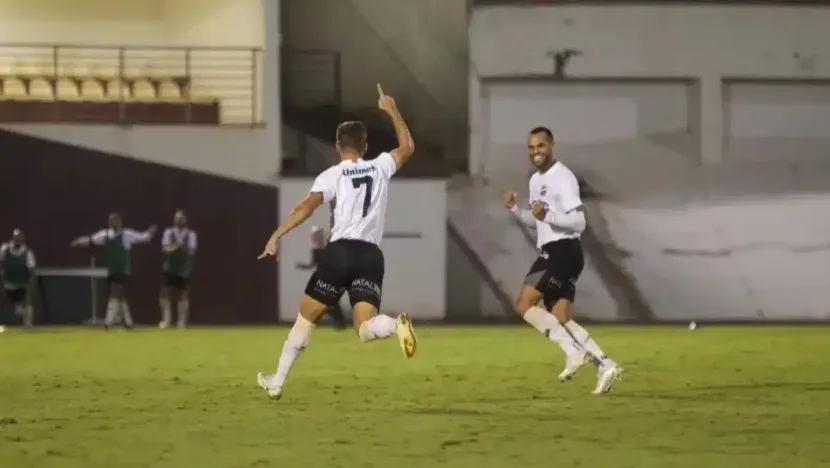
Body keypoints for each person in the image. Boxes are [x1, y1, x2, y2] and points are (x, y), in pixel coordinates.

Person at [256, 84, 416, 400]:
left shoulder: (331, 176)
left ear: (337, 146)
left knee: (306, 317)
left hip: (341, 251)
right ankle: (396, 325)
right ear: (365, 145)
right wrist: (392, 109)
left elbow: (306, 207)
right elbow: (408, 147)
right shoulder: (382, 166)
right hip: (371, 256)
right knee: (365, 327)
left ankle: (277, 382)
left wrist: (277, 234)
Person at [503, 126, 623, 395]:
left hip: (562, 250)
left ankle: (573, 352)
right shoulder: (535, 181)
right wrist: (515, 210)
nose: (536, 152)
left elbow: (579, 222)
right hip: (559, 250)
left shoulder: (563, 177)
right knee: (561, 317)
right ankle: (606, 364)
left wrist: (549, 217)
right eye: (531, 147)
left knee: (524, 304)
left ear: (552, 146)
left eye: (540, 146)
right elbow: (537, 222)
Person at [70, 213, 156, 329]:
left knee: (115, 292)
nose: (113, 222)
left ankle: (108, 321)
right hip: (112, 269)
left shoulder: (126, 234)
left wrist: (150, 232)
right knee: (120, 295)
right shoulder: (104, 235)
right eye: (111, 220)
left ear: (120, 221)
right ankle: (128, 322)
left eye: (115, 220)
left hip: (123, 269)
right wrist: (79, 241)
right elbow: (91, 240)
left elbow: (142, 237)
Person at [295, 225, 348, 329]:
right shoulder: (315, 251)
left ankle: (340, 322)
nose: (316, 238)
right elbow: (313, 265)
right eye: (314, 236)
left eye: (317, 235)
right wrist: (302, 266)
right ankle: (339, 322)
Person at [159, 209, 197, 329]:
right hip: (169, 267)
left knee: (183, 294)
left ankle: (181, 321)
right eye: (177, 218)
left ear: (185, 219)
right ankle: (166, 320)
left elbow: (191, 251)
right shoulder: (168, 232)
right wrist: (176, 247)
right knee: (165, 293)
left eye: (181, 218)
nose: (179, 220)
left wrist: (182, 247)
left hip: (183, 268)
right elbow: (165, 248)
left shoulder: (191, 234)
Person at [0, 229, 36, 329]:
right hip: (9, 283)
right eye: (16, 239)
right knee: (16, 308)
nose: (17, 241)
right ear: (12, 239)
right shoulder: (4, 249)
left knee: (28, 302)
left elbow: (32, 270)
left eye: (19, 239)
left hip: (23, 283)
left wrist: (30, 285)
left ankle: (28, 326)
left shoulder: (28, 253)